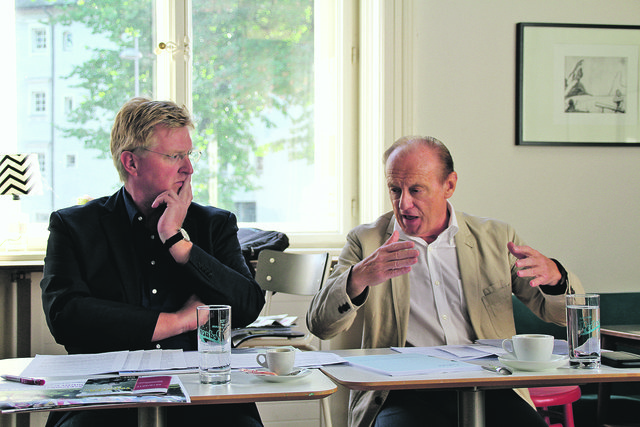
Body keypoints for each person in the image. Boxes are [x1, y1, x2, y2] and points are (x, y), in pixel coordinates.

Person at [307, 136, 583, 427]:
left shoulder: (496, 238)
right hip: (404, 392)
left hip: (491, 385)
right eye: (395, 189)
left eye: (416, 190)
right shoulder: (366, 242)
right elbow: (320, 326)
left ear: (449, 185)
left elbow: (563, 316)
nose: (404, 203)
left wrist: (557, 278)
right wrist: (358, 278)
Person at [40, 97, 265, 427]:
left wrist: (178, 242)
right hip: (105, 392)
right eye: (174, 156)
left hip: (203, 393)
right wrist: (180, 321)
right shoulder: (73, 226)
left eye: (189, 154)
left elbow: (247, 306)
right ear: (131, 163)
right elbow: (66, 315)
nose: (188, 168)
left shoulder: (214, 224)